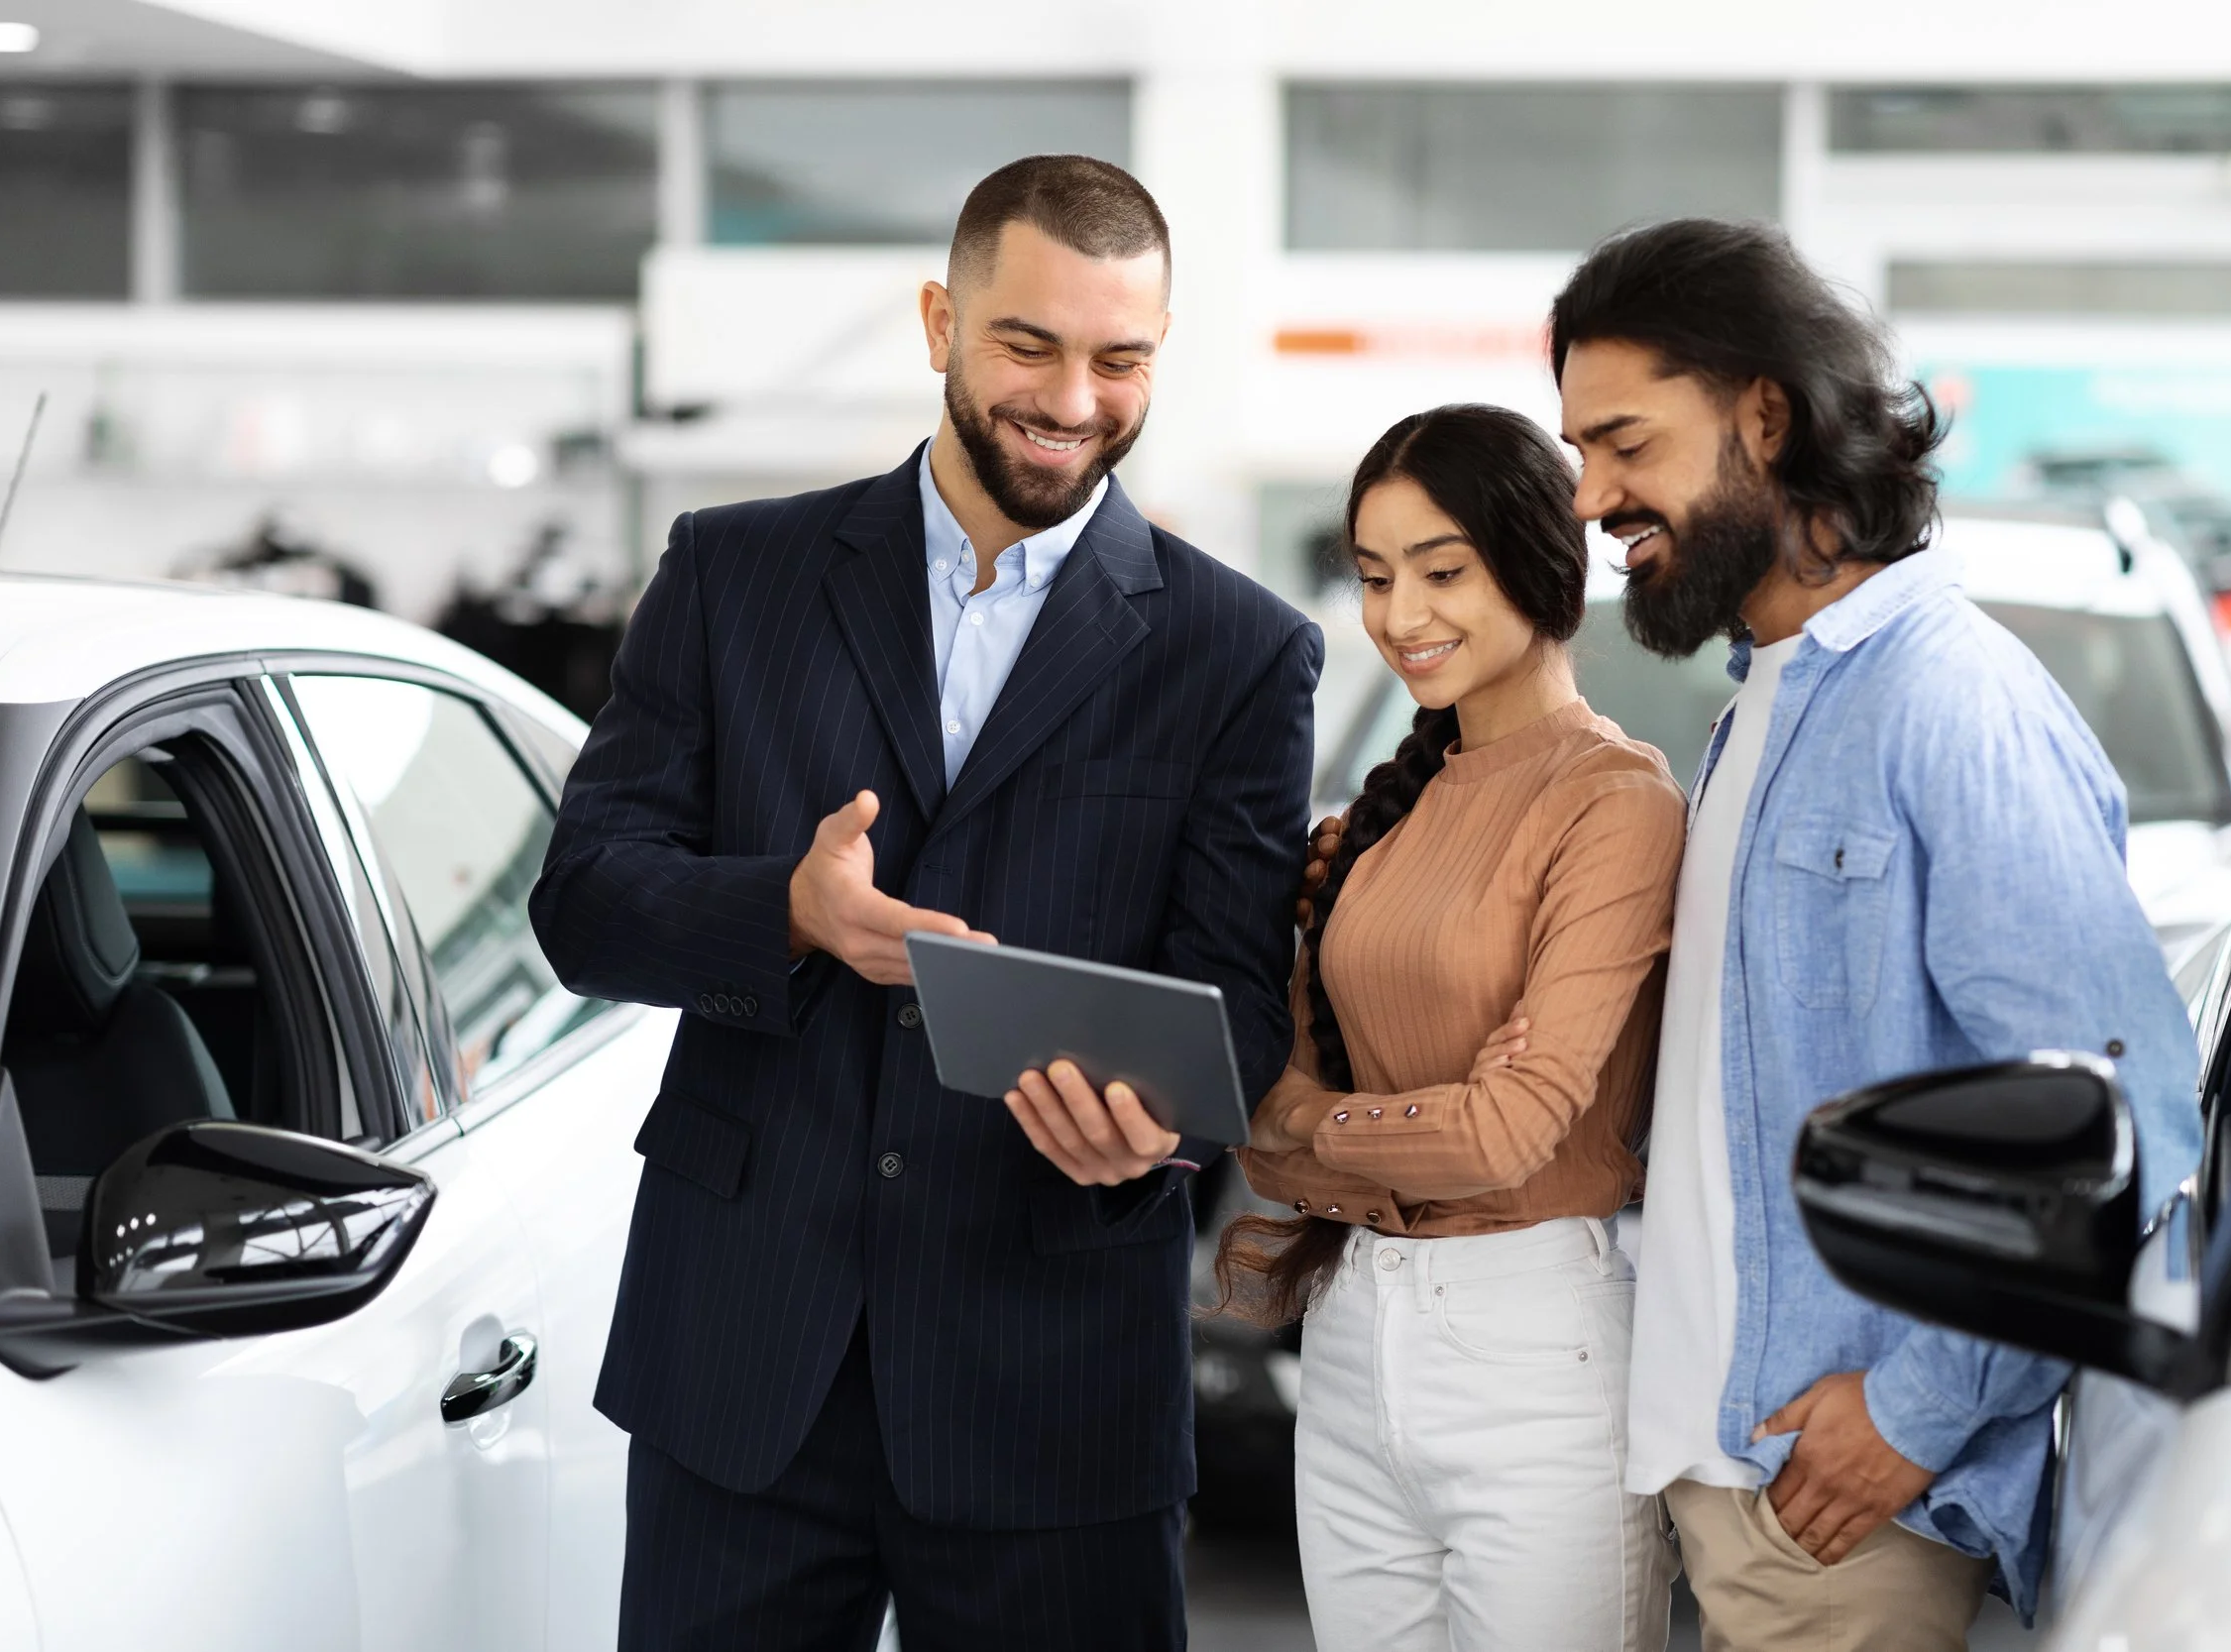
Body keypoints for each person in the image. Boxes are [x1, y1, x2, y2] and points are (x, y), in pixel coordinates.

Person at [530, 156, 1321, 1652]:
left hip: (1054, 1376)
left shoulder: (1238, 652)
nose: (1074, 399)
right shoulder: (730, 573)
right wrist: (789, 909)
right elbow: (584, 903)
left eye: (1121, 358)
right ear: (941, 318)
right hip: (747, 1356)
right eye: (1030, 344)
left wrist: (1164, 1128)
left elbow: (1237, 1001)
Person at [1549, 219, 2202, 1649]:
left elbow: (2125, 1118)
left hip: (1843, 1513)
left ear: (1765, 416)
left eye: (1623, 441)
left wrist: (1920, 1408)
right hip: (1730, 1486)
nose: (1591, 493)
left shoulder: (1949, 704)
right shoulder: (1757, 707)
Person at [1224, 403, 1688, 1651]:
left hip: (1534, 1351)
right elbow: (1266, 1143)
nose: (1399, 616)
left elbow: (1503, 1131)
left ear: (1538, 561)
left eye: (1442, 571)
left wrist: (1320, 1121)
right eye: (1375, 577)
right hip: (1353, 1335)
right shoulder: (1372, 819)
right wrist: (1318, 1127)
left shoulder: (1616, 802)